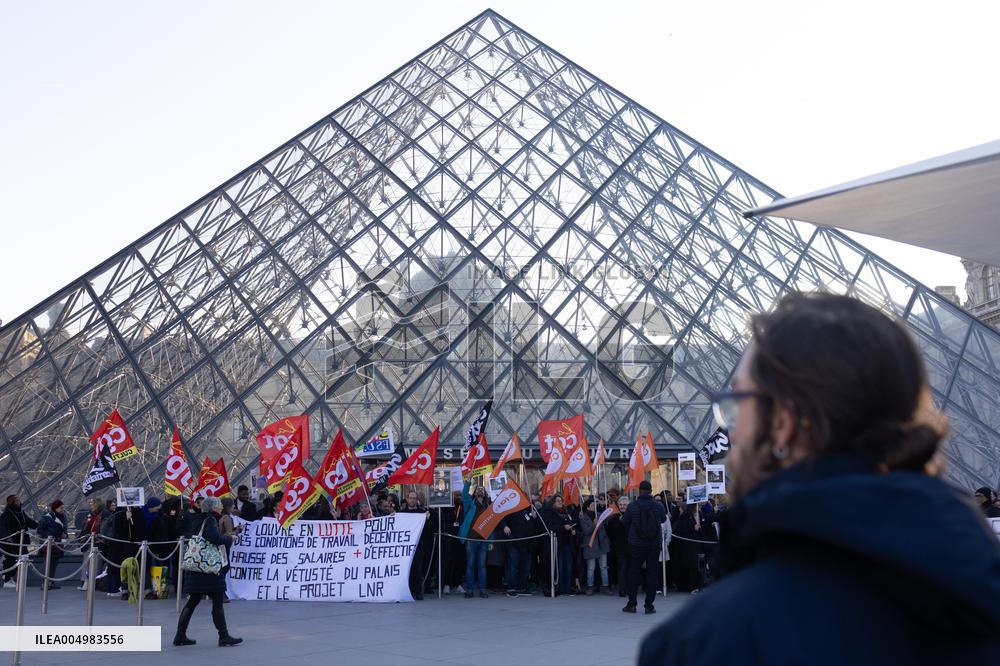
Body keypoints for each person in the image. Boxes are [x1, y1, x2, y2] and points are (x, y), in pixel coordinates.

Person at [639, 292, 1000, 665]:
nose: (731, 431)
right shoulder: (981, 593)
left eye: (737, 404)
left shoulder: (703, 644)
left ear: (783, 423)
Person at [173, 496, 243, 647]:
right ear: (213, 507)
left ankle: (180, 635)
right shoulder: (210, 520)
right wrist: (230, 538)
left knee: (192, 602)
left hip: (198, 568)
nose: (221, 507)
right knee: (217, 602)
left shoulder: (198, 519)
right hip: (209, 569)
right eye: (218, 504)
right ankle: (223, 635)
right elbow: (215, 539)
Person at [622, 481, 667, 614]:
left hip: (636, 544)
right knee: (652, 574)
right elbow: (663, 520)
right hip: (654, 544)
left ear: (639, 490)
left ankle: (632, 604)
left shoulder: (632, 506)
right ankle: (649, 605)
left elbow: (625, 521)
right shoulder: (658, 505)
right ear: (651, 491)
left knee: (634, 573)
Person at [459, 482, 491, 598]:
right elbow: (464, 496)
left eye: (482, 489)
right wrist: (467, 483)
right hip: (471, 539)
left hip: (483, 540)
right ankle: (469, 590)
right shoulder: (470, 504)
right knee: (470, 565)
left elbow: (491, 524)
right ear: (475, 492)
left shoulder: (488, 507)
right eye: (478, 489)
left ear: (485, 493)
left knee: (482, 566)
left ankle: (482, 590)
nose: (480, 491)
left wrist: (491, 541)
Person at [542, 494, 576, 596]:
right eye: (558, 501)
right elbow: (549, 527)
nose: (560, 502)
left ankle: (567, 588)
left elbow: (571, 522)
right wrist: (563, 527)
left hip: (567, 543)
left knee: (568, 567)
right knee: (559, 567)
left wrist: (572, 529)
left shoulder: (565, 511)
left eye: (561, 500)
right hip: (556, 543)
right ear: (553, 502)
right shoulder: (549, 512)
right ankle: (559, 588)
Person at [1, 495, 38, 588]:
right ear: (12, 502)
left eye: (18, 500)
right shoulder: (7, 513)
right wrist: (7, 537)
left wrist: (38, 524)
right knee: (11, 560)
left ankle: (12, 578)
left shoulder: (21, 512)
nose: (19, 502)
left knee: (22, 559)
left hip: (22, 541)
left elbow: (29, 522)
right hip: (11, 542)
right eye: (16, 500)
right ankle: (7, 579)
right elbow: (2, 527)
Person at [500, 503, 537, 596]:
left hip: (527, 543)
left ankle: (522, 587)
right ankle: (511, 588)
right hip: (514, 542)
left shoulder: (529, 509)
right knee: (513, 566)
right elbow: (502, 518)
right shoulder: (511, 508)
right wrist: (504, 526)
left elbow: (536, 525)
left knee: (526, 567)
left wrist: (535, 517)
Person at [400, 491, 430, 600]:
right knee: (407, 569)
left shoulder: (422, 512)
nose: (412, 500)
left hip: (418, 545)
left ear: (417, 500)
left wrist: (428, 519)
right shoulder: (401, 513)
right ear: (407, 499)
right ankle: (408, 590)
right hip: (405, 546)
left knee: (418, 568)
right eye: (410, 498)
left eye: (414, 498)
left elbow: (429, 529)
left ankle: (418, 591)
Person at [580, 497, 612, 595]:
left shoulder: (599, 514)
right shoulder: (583, 517)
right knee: (591, 568)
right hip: (591, 545)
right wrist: (594, 524)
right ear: (588, 507)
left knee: (604, 567)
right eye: (593, 505)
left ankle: (606, 586)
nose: (595, 506)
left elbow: (608, 519)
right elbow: (586, 531)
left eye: (595, 505)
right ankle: (590, 586)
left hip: (602, 544)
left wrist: (608, 510)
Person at [36, 500, 68, 588]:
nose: (63, 509)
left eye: (63, 507)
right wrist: (50, 536)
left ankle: (50, 582)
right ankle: (45, 583)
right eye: (61, 507)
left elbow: (64, 530)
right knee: (47, 563)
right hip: (48, 544)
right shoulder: (47, 517)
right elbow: (39, 530)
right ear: (55, 508)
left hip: (57, 544)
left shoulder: (63, 517)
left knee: (54, 563)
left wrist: (65, 535)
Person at [607, 495, 630, 596]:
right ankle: (622, 590)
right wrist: (620, 522)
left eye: (624, 504)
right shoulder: (614, 516)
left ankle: (629, 588)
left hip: (631, 546)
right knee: (622, 568)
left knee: (630, 568)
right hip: (620, 547)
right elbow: (612, 532)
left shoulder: (631, 515)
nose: (622, 506)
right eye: (621, 504)